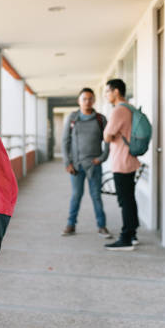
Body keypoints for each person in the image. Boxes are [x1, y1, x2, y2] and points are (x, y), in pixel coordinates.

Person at [61, 87, 111, 238]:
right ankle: (71, 225)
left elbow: (108, 142)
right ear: (79, 101)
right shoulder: (73, 118)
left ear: (94, 100)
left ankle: (102, 226)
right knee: (76, 195)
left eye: (90, 99)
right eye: (84, 99)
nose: (87, 101)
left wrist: (102, 158)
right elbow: (65, 142)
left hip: (94, 165)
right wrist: (67, 163)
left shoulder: (100, 119)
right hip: (76, 166)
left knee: (96, 195)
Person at [102, 79, 141, 251]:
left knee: (124, 200)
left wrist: (108, 134)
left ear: (116, 91)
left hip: (122, 161)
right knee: (129, 199)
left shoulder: (119, 110)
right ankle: (132, 234)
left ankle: (126, 238)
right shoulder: (130, 108)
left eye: (107, 91)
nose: (106, 95)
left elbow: (107, 136)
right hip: (130, 159)